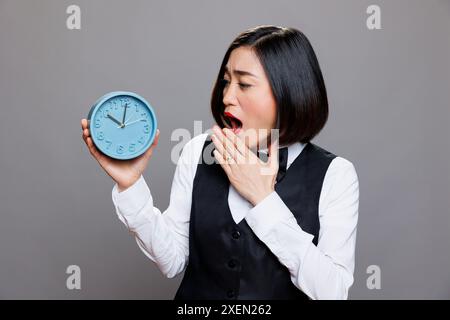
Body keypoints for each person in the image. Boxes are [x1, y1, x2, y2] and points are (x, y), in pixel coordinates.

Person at [81, 25, 359, 300]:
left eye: (245, 84)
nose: (227, 97)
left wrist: (264, 200)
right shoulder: (196, 152)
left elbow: (332, 292)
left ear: (289, 91)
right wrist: (130, 186)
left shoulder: (336, 175)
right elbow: (172, 261)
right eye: (227, 81)